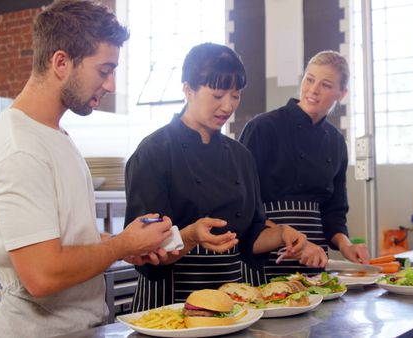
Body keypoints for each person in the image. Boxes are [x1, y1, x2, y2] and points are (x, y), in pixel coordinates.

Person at [0, 1, 175, 336]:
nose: (111, 85)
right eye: (104, 70)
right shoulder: (19, 147)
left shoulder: (55, 135)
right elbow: (43, 274)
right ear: (61, 62)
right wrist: (122, 245)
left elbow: (67, 236)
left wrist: (132, 244)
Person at [124, 42, 319, 310]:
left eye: (235, 95)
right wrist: (191, 235)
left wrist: (283, 233)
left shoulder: (241, 156)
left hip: (231, 300)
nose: (228, 106)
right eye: (217, 95)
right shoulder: (154, 152)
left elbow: (250, 236)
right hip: (170, 301)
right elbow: (144, 249)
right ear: (188, 89)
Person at [239, 50, 369, 279]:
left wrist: (346, 244)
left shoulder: (336, 141)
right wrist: (284, 235)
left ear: (342, 93)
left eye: (326, 85)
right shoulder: (262, 128)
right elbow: (244, 203)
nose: (313, 90)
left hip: (314, 257)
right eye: (309, 79)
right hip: (266, 255)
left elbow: (334, 210)